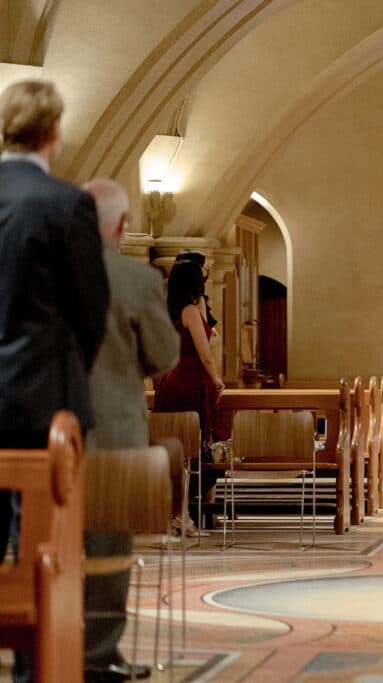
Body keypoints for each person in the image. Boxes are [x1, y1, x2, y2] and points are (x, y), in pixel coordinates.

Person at [0, 79, 109, 683]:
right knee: (44, 553)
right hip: (44, 404)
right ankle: (32, 674)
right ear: (55, 132)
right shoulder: (66, 204)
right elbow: (90, 310)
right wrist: (69, 379)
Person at [81, 179, 179, 682]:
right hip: (114, 432)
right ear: (121, 226)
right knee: (108, 547)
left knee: (43, 544)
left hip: (43, 431)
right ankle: (96, 655)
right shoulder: (135, 280)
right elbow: (163, 356)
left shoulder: (42, 273)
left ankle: (41, 647)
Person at [154, 258, 225, 531]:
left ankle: (176, 513)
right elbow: (204, 354)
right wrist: (216, 380)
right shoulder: (190, 312)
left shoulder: (168, 311)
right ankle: (179, 514)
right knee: (188, 454)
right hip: (189, 383)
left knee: (175, 453)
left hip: (170, 382)